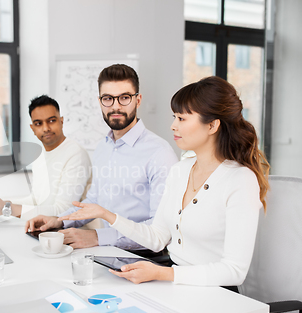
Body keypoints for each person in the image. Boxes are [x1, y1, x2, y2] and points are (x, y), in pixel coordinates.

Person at [56, 76, 270, 287]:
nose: (173, 126)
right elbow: (157, 237)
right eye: (174, 117)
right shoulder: (181, 170)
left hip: (216, 294)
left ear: (212, 125)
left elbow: (234, 271)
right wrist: (107, 215)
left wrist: (164, 273)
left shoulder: (240, 180)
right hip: (173, 285)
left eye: (182, 119)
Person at [25, 64, 178, 250]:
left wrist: (98, 236)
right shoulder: (103, 147)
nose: (115, 106)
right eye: (108, 98)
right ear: (100, 102)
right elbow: (94, 201)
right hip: (108, 252)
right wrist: (60, 220)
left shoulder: (159, 153)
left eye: (124, 98)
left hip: (146, 258)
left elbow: (160, 229)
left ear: (138, 100)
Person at [0, 95, 91, 220]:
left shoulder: (76, 154)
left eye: (52, 121)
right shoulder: (40, 156)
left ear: (61, 121)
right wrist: (2, 204)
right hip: (45, 229)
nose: (46, 128)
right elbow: (36, 200)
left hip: (74, 233)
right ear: (33, 128)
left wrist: (6, 208)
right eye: (38, 123)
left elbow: (63, 211)